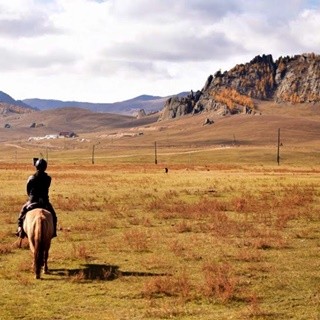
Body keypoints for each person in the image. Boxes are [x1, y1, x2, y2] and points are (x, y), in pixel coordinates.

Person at [16, 158, 57, 238]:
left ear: (36, 167)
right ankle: (54, 231)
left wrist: (31, 196)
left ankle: (20, 229)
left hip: (33, 200)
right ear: (45, 167)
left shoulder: (31, 178)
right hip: (44, 202)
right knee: (53, 216)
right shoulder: (48, 178)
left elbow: (28, 189)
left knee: (22, 213)